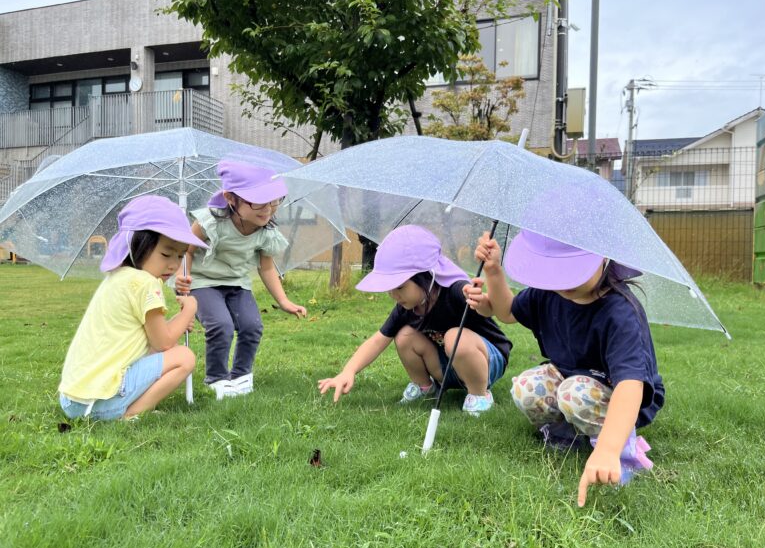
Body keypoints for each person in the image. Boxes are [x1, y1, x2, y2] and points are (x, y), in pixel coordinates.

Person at [467, 229, 664, 506]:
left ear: (603, 257)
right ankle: (568, 436)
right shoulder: (549, 292)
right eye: (556, 269)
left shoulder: (620, 312)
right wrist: (494, 273)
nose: (565, 280)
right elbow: (507, 311)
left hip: (618, 394)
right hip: (571, 379)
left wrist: (608, 450)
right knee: (527, 388)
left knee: (574, 393)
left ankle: (623, 448)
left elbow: (630, 384)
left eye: (575, 268)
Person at [318, 225, 511, 414]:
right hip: (448, 367)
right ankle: (425, 388)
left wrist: (481, 301)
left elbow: (488, 310)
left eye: (400, 287)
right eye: (390, 287)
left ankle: (479, 396)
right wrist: (348, 371)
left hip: (486, 362)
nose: (394, 294)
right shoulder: (407, 307)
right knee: (404, 336)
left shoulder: (455, 291)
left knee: (454, 336)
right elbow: (377, 340)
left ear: (426, 277)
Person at [58, 195, 208, 421]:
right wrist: (189, 310)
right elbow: (163, 341)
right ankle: (130, 413)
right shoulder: (145, 283)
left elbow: (153, 338)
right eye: (166, 254)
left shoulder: (119, 277)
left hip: (72, 401)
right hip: (99, 402)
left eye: (180, 255)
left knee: (165, 352)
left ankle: (120, 407)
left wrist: (179, 320)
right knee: (184, 356)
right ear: (138, 244)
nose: (174, 264)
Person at [175, 159, 306, 399]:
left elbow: (266, 268)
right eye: (258, 202)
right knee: (221, 326)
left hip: (237, 284)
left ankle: (241, 376)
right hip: (204, 282)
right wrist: (181, 279)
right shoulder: (210, 221)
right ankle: (216, 378)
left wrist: (284, 301)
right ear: (230, 198)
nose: (267, 209)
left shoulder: (266, 231)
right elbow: (187, 250)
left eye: (274, 201)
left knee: (252, 326)